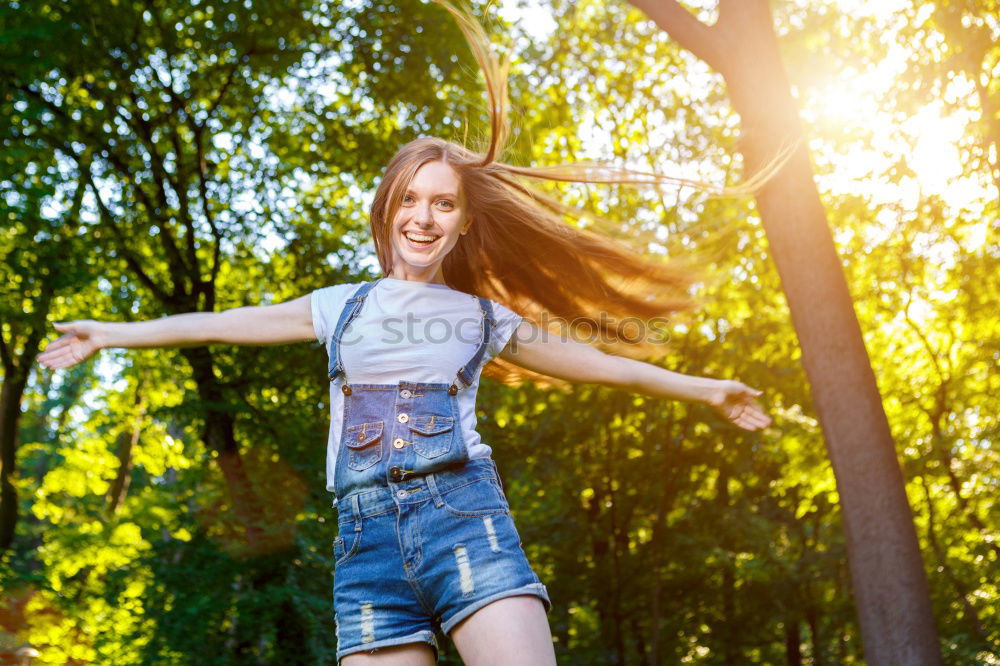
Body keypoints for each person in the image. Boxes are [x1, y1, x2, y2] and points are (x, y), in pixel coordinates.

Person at [38, 3, 772, 664]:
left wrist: (706, 388)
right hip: (364, 547)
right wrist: (109, 332)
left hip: (464, 520)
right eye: (411, 199)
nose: (424, 217)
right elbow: (224, 323)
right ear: (389, 208)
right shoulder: (338, 306)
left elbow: (597, 363)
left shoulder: (484, 318)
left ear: (463, 221)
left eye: (444, 204)